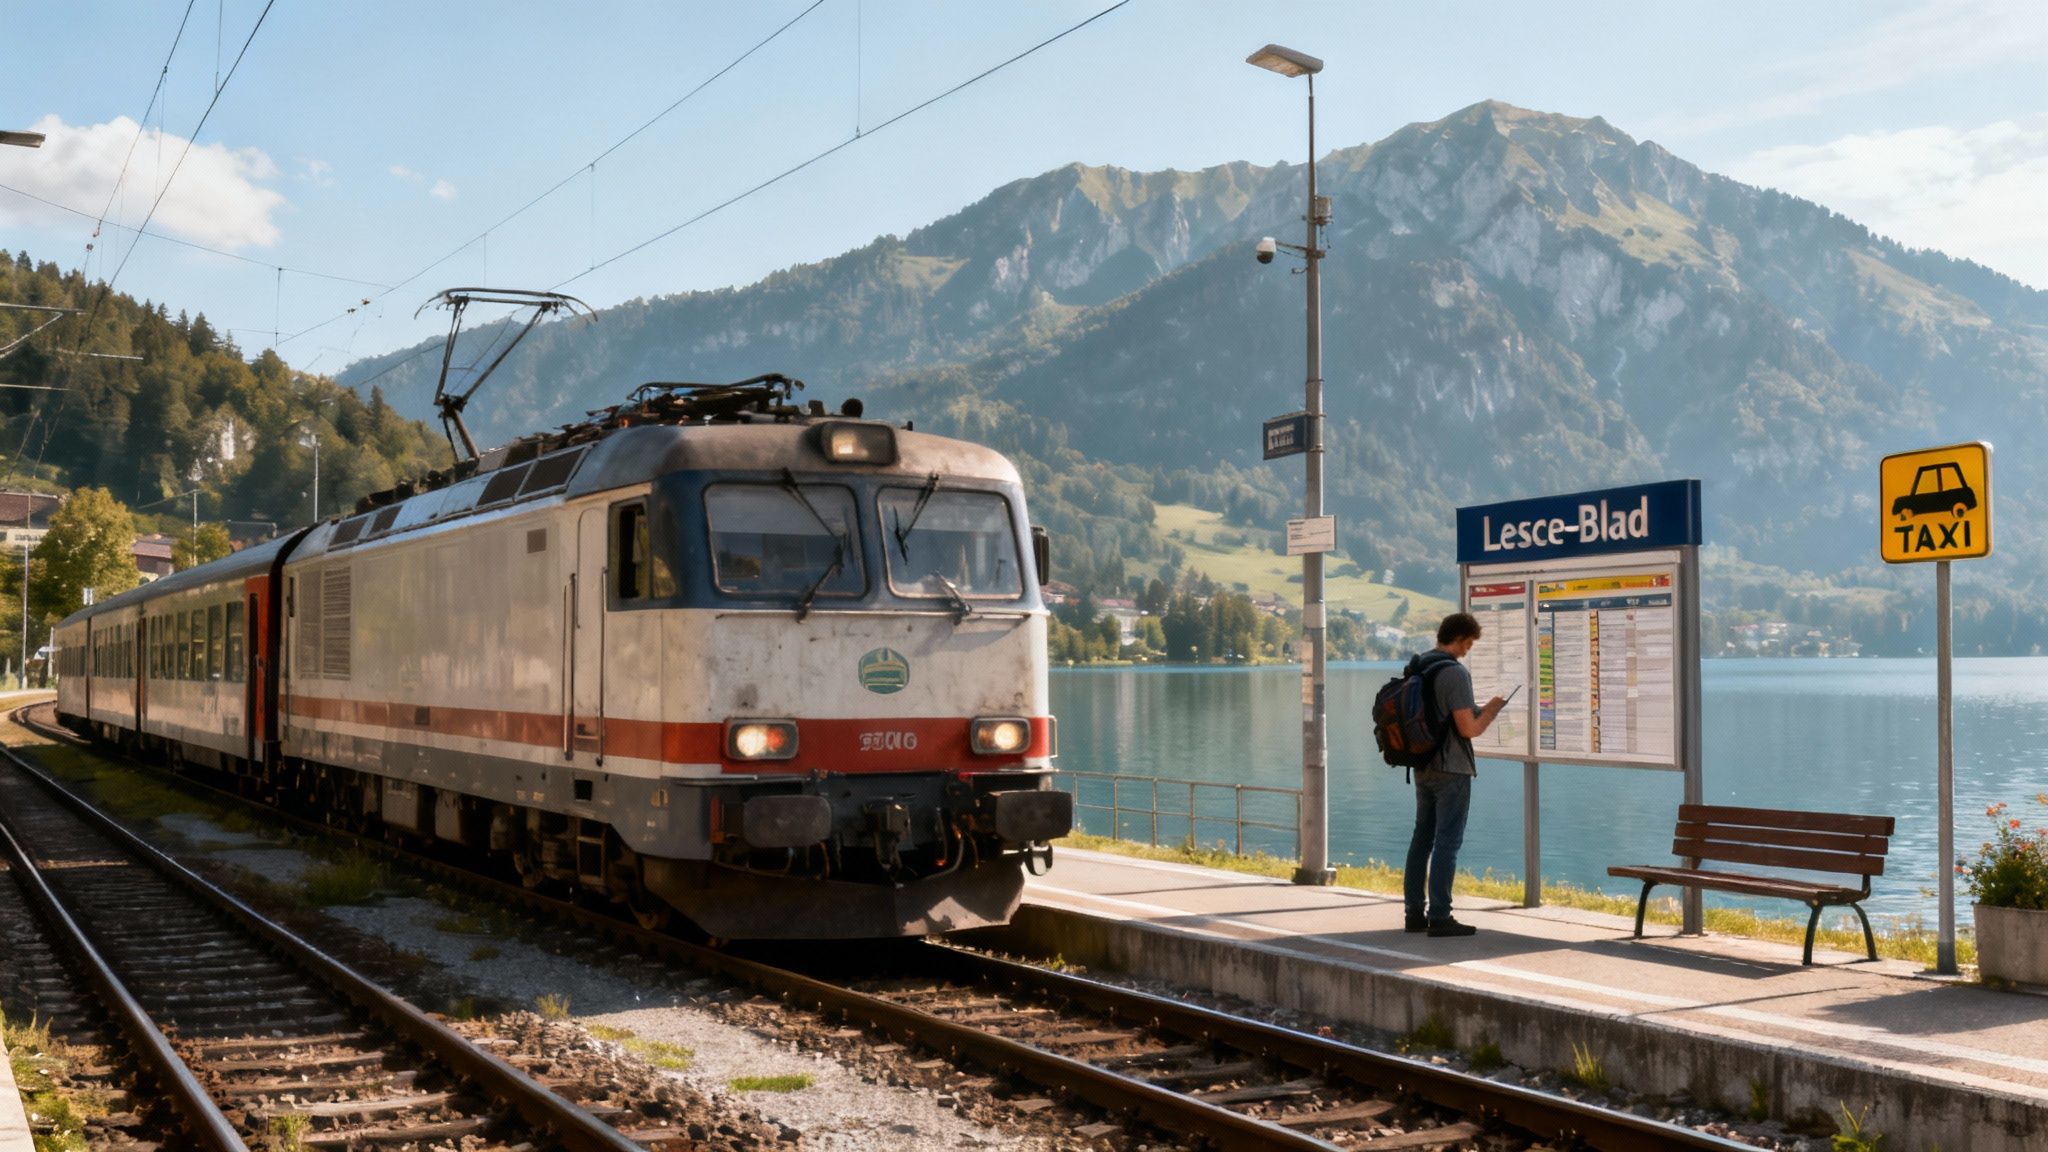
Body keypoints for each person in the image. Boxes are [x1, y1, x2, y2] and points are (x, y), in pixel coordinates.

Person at [1403, 612, 1506, 937]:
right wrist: (1490, 711)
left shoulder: (1420, 666)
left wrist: (1474, 711)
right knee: (1448, 841)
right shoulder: (1454, 673)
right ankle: (1441, 916)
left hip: (1422, 764)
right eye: (1469, 643)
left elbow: (1442, 715)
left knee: (1421, 839)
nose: (1468, 650)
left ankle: (1414, 913)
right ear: (1460, 638)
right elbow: (1468, 728)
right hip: (1452, 769)